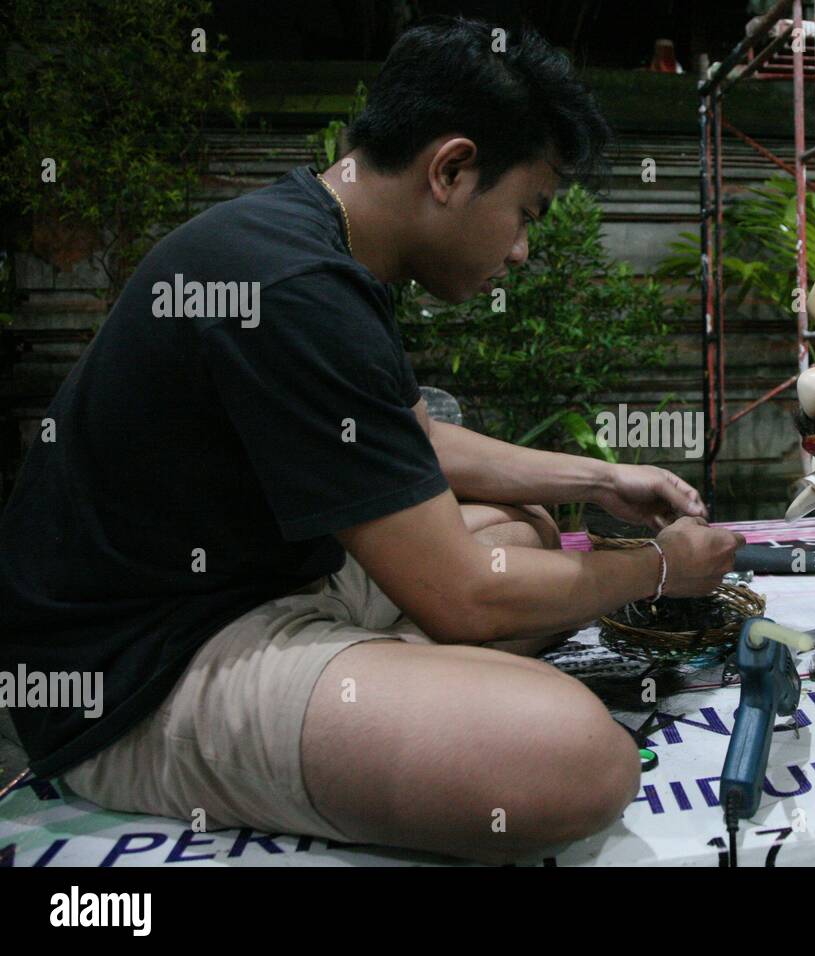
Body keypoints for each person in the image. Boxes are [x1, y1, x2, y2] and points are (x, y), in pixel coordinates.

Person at [0, 16, 744, 864]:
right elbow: (459, 597)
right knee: (577, 758)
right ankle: (391, 707)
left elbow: (412, 444)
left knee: (527, 525)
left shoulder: (318, 239)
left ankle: (386, 702)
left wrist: (604, 475)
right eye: (524, 213)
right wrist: (661, 569)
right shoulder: (296, 288)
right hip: (140, 674)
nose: (522, 250)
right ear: (453, 169)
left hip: (256, 582)